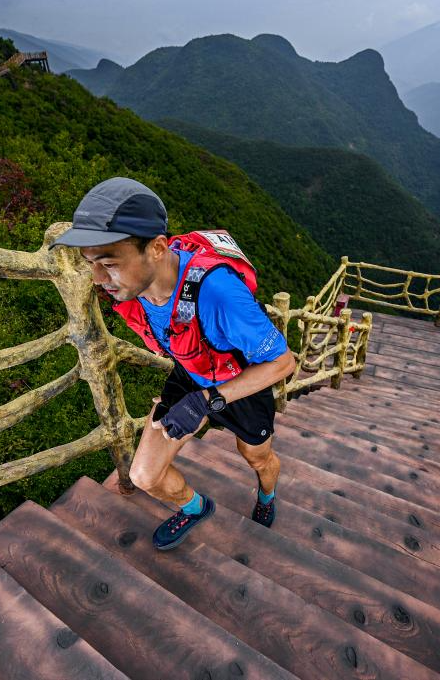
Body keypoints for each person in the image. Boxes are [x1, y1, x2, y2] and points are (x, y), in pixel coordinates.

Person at [52, 177, 295, 550]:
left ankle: (266, 495)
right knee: (144, 474)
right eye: (91, 265)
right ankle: (195, 507)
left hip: (242, 384)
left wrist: (207, 402)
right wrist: (196, 396)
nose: (98, 279)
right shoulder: (137, 287)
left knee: (256, 457)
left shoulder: (219, 293)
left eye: (109, 263)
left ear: (158, 249)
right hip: (191, 374)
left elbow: (282, 363)